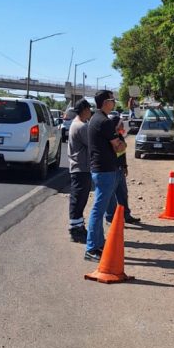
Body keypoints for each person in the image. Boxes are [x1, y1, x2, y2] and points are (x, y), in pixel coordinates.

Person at [84, 90, 126, 261]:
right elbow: (120, 147)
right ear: (105, 102)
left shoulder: (95, 119)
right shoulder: (104, 122)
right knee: (98, 210)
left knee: (102, 209)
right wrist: (121, 140)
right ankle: (92, 248)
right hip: (105, 171)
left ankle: (99, 245)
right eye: (112, 100)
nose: (114, 102)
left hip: (102, 169)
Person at [105, 115, 141, 225]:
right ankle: (111, 218)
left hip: (120, 169)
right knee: (111, 195)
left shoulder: (119, 136)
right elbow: (116, 150)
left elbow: (122, 153)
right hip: (112, 170)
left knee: (123, 194)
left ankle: (126, 215)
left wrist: (125, 166)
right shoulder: (110, 137)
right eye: (120, 123)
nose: (122, 125)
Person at [66, 98, 93, 243]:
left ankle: (79, 226)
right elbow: (92, 144)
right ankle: (75, 230)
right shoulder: (81, 126)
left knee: (80, 199)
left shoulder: (78, 124)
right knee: (78, 199)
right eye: (89, 109)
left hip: (80, 167)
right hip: (80, 168)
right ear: (84, 110)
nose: (90, 112)